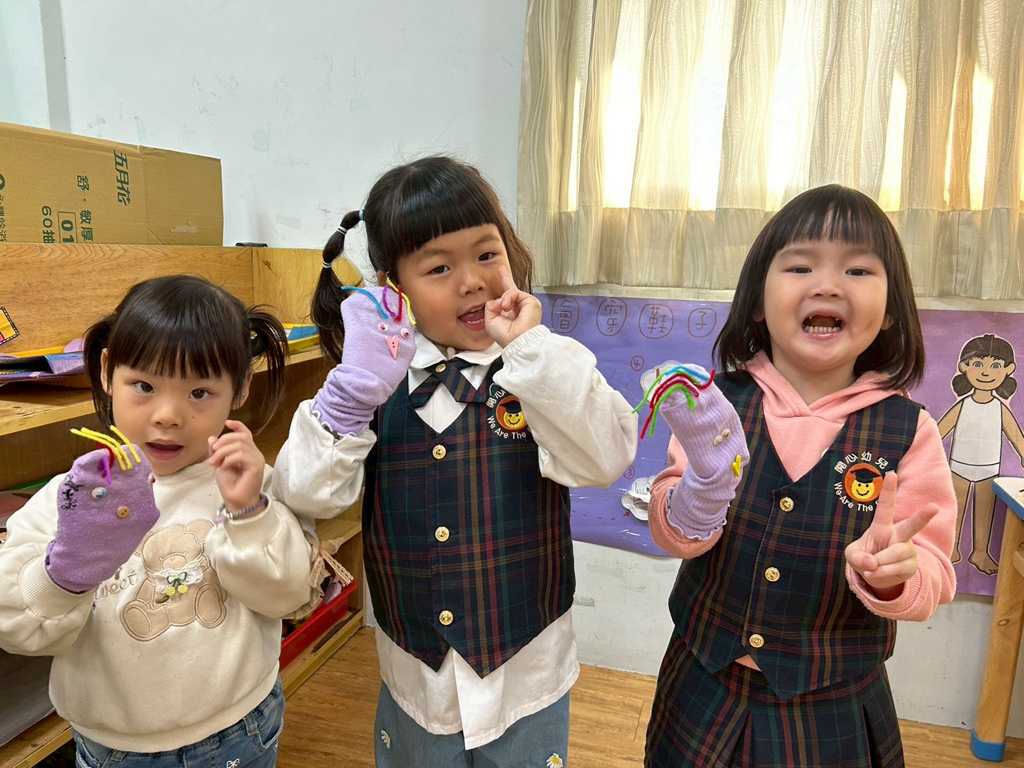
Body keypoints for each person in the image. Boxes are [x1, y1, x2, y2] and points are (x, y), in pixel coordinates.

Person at [273, 156, 638, 767]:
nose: (472, 282)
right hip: (418, 679)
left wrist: (531, 352)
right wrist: (352, 392)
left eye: (487, 254)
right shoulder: (372, 384)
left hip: (527, 674)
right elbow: (305, 496)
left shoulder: (542, 365)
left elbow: (606, 458)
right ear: (394, 287)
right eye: (439, 267)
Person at [640, 185, 957, 767]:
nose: (828, 284)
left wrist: (894, 575)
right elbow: (675, 532)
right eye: (800, 266)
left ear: (891, 309)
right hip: (701, 684)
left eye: (858, 269)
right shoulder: (713, 406)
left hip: (832, 706)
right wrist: (699, 494)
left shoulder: (909, 431)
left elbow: (933, 571)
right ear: (758, 301)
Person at [0, 275, 317, 767]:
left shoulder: (246, 483)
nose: (168, 415)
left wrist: (249, 512)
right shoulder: (69, 499)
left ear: (240, 388)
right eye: (144, 386)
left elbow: (288, 596)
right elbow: (16, 628)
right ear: (108, 372)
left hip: (238, 728)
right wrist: (69, 569)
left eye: (199, 392)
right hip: (111, 746)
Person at [937, 334, 1024, 574]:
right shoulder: (963, 404)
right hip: (958, 467)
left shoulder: (1000, 408)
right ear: (964, 367)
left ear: (1008, 370)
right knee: (955, 509)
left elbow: (1015, 434)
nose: (986, 372)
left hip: (989, 469)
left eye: (995, 366)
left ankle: (980, 553)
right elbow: (939, 431)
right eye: (978, 364)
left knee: (985, 512)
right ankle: (951, 548)